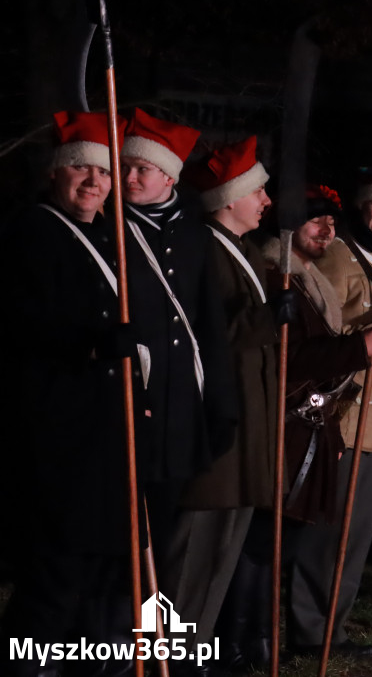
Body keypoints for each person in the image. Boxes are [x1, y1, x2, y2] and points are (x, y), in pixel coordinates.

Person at [0, 110, 149, 677]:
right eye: (81, 169)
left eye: (105, 173)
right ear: (55, 174)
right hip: (53, 422)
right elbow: (20, 320)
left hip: (102, 424)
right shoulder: (31, 230)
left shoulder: (102, 235)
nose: (95, 181)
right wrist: (88, 342)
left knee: (90, 561)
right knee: (53, 566)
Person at [287, 163, 372, 658]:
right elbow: (323, 340)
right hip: (342, 417)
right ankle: (309, 628)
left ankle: (333, 629)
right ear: (361, 205)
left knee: (355, 536)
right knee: (326, 533)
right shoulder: (340, 258)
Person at [167, 136, 280, 675]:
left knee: (220, 554)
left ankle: (193, 650)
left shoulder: (247, 253)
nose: (266, 201)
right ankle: (164, 651)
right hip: (217, 427)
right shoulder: (205, 251)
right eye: (257, 191)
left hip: (247, 426)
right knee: (189, 555)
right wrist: (268, 317)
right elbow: (212, 333)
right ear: (228, 198)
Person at [120, 108, 238, 559]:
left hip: (181, 404)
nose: (130, 177)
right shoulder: (109, 226)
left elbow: (208, 323)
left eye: (142, 169)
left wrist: (220, 403)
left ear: (169, 178)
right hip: (134, 398)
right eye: (126, 167)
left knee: (165, 529)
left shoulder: (192, 233)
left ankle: (153, 623)